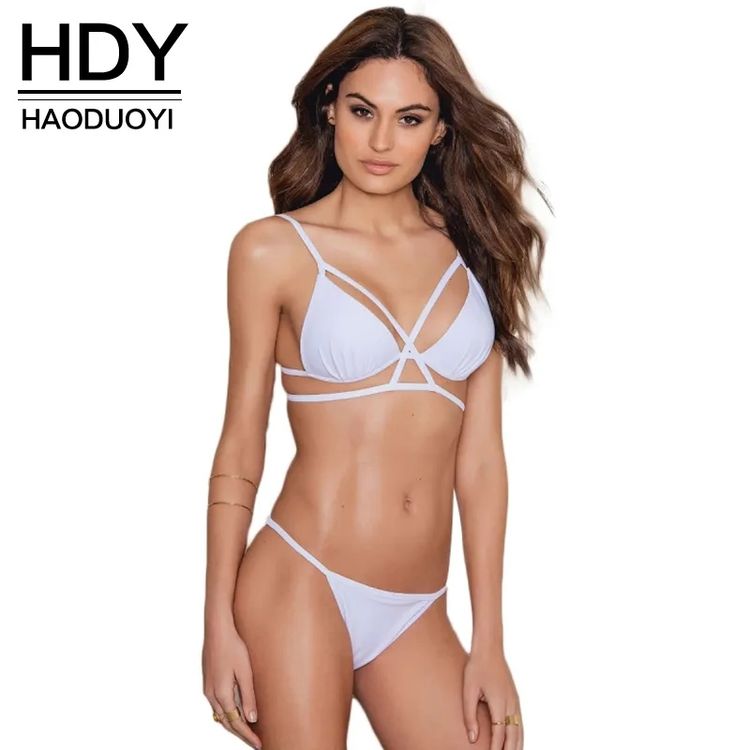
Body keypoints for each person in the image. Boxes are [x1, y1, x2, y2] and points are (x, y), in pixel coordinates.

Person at [202, 7, 548, 749]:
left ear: (441, 129)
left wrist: (489, 641)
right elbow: (240, 448)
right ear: (330, 108)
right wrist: (216, 625)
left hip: (418, 605)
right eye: (363, 112)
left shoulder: (476, 251)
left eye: (410, 118)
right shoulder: (273, 250)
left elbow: (481, 462)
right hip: (301, 578)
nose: (382, 141)